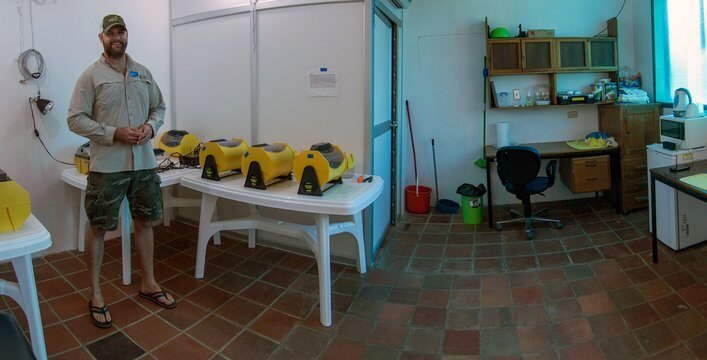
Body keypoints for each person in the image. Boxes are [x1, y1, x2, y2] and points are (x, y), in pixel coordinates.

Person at [67, 14, 176, 329]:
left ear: (127, 36)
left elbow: (159, 107)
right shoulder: (90, 77)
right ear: (101, 37)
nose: (117, 37)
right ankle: (96, 294)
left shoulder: (143, 73)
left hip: (143, 163)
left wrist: (150, 126)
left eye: (122, 31)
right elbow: (75, 119)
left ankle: (149, 284)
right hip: (107, 168)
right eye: (111, 32)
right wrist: (113, 132)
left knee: (145, 223)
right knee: (99, 227)